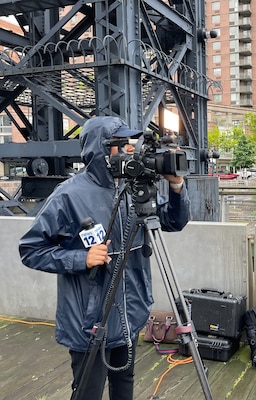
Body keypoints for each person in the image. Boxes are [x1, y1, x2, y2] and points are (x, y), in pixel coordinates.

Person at [19, 116, 191, 400]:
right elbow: (30, 249)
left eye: (129, 143)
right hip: (89, 321)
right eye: (120, 144)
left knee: (125, 384)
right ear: (101, 149)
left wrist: (176, 187)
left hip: (131, 313)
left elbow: (174, 221)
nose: (129, 149)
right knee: (88, 391)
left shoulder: (134, 189)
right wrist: (80, 258)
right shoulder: (68, 196)